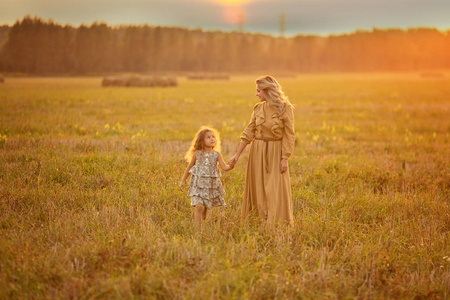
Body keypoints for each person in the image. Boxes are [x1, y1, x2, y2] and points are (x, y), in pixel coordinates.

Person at [228, 75, 295, 226]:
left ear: (267, 91)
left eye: (259, 91)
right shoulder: (258, 108)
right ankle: (257, 223)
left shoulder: (286, 108)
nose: (256, 94)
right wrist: (237, 155)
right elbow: (249, 132)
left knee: (274, 190)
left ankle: (277, 225)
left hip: (276, 152)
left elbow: (289, 135)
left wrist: (285, 158)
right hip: (257, 151)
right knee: (258, 189)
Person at [179, 126, 233, 229]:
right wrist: (182, 181)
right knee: (198, 206)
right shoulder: (197, 154)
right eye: (208, 137)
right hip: (198, 185)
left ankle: (205, 211)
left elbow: (224, 167)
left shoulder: (217, 154)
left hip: (210, 185)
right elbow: (189, 167)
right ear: (201, 141)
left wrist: (231, 166)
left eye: (213, 137)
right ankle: (197, 230)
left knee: (206, 205)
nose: (212, 139)